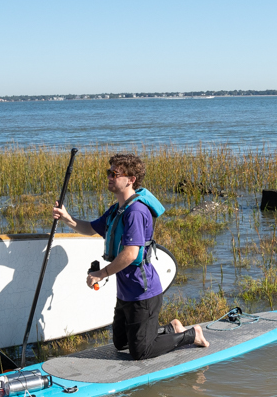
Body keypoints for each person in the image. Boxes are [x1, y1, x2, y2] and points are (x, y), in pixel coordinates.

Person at [53, 153, 208, 358]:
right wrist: (66, 218)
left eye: (114, 173)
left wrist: (101, 273)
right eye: (109, 172)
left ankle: (190, 335)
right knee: (121, 343)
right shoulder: (118, 209)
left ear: (131, 179)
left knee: (141, 351)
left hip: (143, 293)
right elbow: (90, 228)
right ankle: (171, 328)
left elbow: (131, 253)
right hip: (126, 292)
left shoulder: (135, 211)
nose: (109, 176)